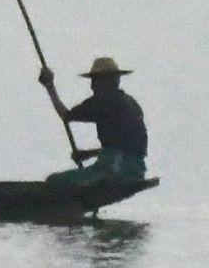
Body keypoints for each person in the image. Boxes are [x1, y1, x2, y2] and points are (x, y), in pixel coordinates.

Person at [43, 55, 146, 186]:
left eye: (95, 81)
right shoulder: (132, 104)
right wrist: (88, 154)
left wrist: (49, 86)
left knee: (55, 181)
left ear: (107, 81)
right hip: (136, 170)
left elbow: (66, 115)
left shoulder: (104, 101)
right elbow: (124, 146)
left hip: (114, 170)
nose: (92, 86)